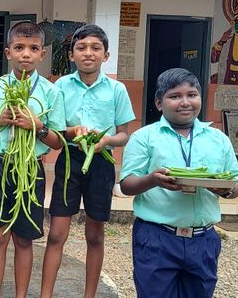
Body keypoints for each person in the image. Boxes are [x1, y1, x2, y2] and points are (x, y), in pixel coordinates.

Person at [120, 68, 238, 298]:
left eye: (192, 95)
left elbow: (235, 185)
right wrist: (152, 180)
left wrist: (224, 189)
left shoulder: (218, 139)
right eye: (175, 96)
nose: (185, 102)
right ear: (159, 102)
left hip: (203, 239)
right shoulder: (144, 138)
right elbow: (127, 184)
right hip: (156, 237)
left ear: (200, 98)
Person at [0, 21, 65, 298]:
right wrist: (0, 122)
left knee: (24, 239)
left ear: (42, 54)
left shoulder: (51, 92)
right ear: (8, 52)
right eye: (19, 48)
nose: (26, 54)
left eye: (33, 48)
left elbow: (58, 141)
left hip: (30, 168)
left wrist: (37, 125)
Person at [41, 24, 135, 298]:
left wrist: (105, 141)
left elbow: (123, 135)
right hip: (70, 160)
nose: (88, 53)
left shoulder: (117, 89)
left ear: (106, 56)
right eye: (81, 48)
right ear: (72, 55)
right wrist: (71, 132)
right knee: (57, 233)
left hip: (102, 163)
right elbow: (55, 130)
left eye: (95, 48)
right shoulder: (61, 86)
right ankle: (46, 294)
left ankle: (89, 295)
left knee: (95, 235)